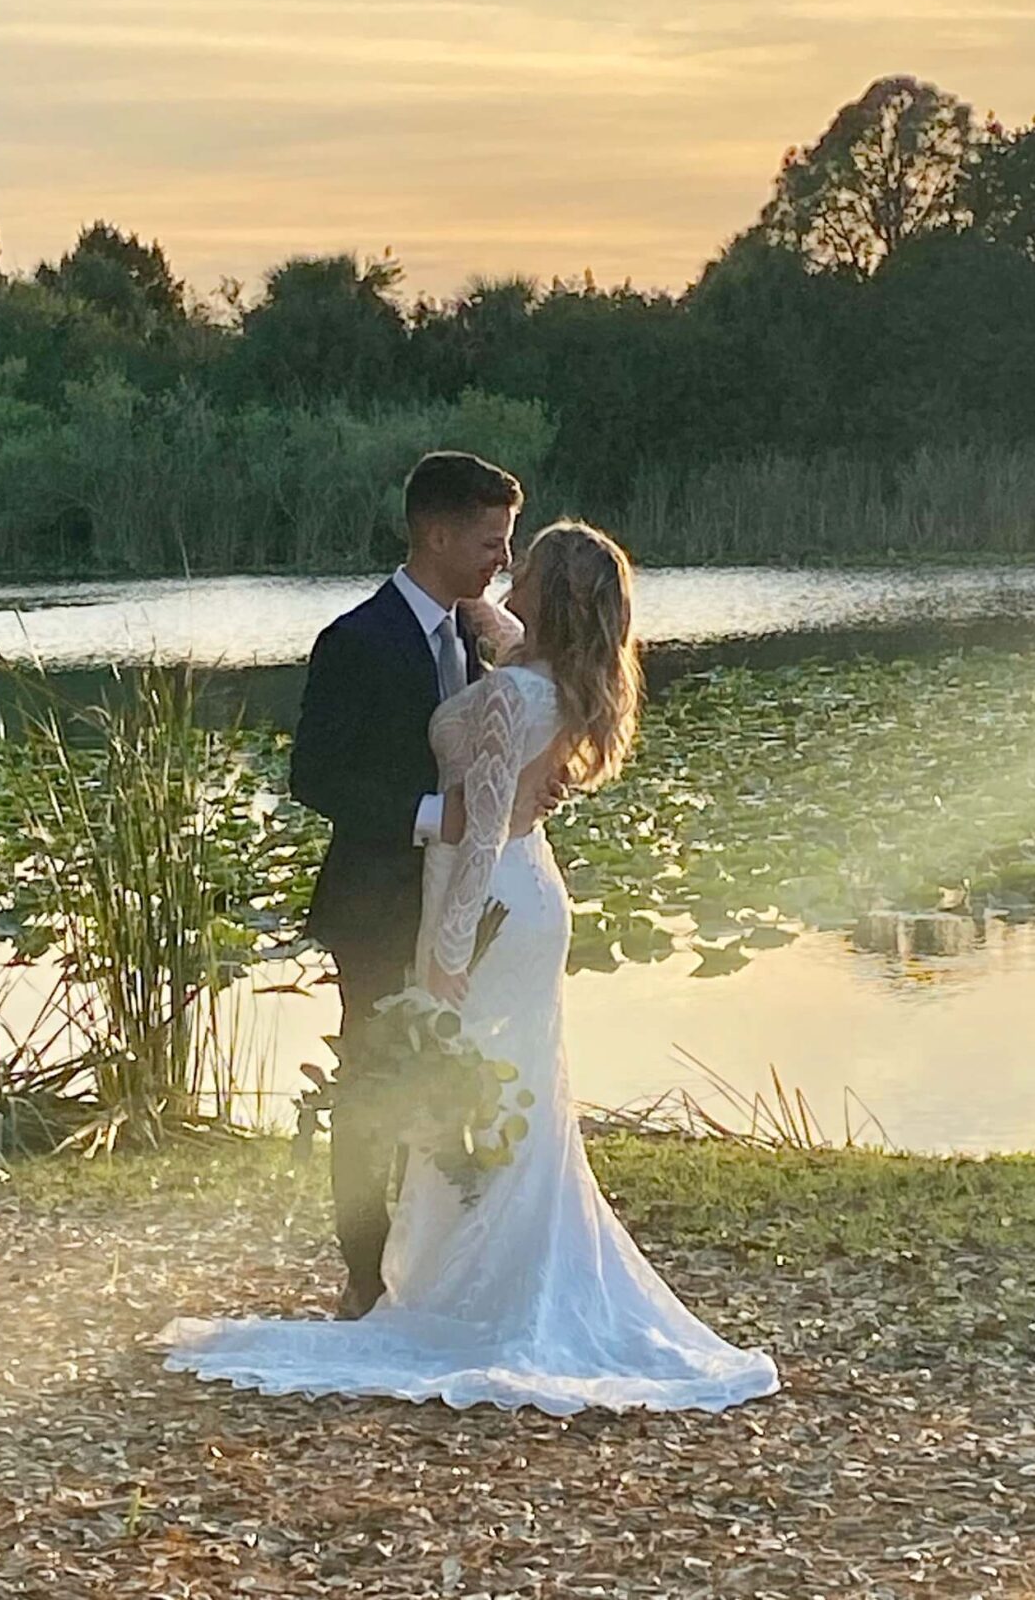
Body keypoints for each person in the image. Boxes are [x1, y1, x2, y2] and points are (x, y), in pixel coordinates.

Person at [163, 521, 779, 1416]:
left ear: (549, 594)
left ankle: (480, 1294)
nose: (506, 567)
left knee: (478, 1088)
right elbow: (489, 630)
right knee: (513, 1093)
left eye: (520, 561)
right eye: (498, 546)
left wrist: (447, 963)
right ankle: (467, 1277)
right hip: (527, 903)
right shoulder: (553, 676)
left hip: (486, 908)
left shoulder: (513, 698)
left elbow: (480, 833)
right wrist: (472, 592)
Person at [285, 449, 521, 1319]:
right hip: (379, 898)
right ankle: (363, 1268)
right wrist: (434, 816)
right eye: (491, 541)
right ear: (436, 532)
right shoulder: (356, 639)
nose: (503, 559)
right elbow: (313, 775)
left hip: (465, 902)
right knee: (373, 1082)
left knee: (463, 1065)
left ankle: (446, 1250)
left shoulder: (481, 632)